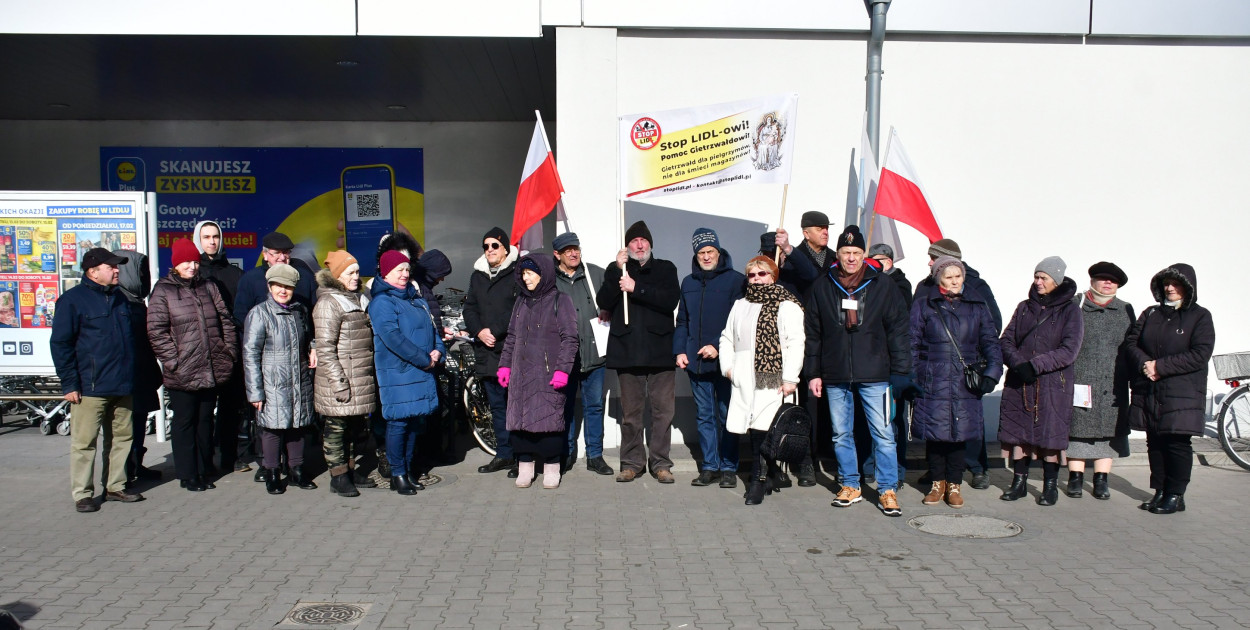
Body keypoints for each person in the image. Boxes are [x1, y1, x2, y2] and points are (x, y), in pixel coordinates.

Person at [805, 225, 914, 517]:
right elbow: (813, 333)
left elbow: (898, 331)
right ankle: (850, 484)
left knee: (883, 434)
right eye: (845, 252)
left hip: (876, 372)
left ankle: (887, 489)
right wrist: (813, 372)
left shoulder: (883, 285)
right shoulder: (823, 285)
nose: (850, 258)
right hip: (835, 372)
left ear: (864, 255)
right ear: (837, 254)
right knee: (841, 434)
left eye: (856, 253)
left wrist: (901, 371)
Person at [51, 247, 145, 512]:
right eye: (111, 267)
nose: (117, 270)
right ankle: (83, 493)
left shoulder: (120, 299)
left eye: (117, 267)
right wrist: (69, 384)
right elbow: (61, 344)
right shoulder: (72, 301)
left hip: (122, 384)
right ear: (93, 271)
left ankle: (115, 487)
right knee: (85, 443)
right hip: (90, 387)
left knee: (121, 439)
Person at [909, 257, 1003, 509]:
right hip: (933, 378)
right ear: (939, 278)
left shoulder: (976, 305)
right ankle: (937, 483)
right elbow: (912, 344)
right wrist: (915, 376)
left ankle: (954, 484)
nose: (954, 282)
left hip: (964, 380)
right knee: (936, 434)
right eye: (948, 277)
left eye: (958, 276)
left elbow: (991, 343)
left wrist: (991, 374)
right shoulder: (923, 305)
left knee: (960, 435)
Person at [147, 238, 239, 492]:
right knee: (185, 422)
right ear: (175, 264)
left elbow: (225, 321)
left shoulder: (208, 287)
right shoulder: (163, 291)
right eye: (186, 262)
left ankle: (204, 468)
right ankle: (188, 474)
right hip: (183, 370)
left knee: (205, 420)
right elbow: (156, 331)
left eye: (194, 261)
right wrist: (173, 360)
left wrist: (227, 350)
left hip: (211, 365)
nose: (192, 266)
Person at [1124, 263, 1214, 514]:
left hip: (1181, 391)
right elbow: (1132, 342)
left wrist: (1161, 367)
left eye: (1176, 284)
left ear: (1188, 288)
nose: (1170, 288)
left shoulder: (1200, 316)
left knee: (1176, 443)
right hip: (1150, 390)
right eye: (1166, 283)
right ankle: (1161, 490)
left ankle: (1176, 493)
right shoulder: (1151, 313)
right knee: (1155, 442)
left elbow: (1200, 353)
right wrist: (1146, 365)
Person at [598, 220, 681, 483]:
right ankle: (631, 463)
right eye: (634, 241)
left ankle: (660, 464)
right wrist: (614, 270)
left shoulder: (666, 268)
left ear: (650, 244)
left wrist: (637, 288)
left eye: (643, 240)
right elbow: (604, 302)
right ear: (628, 246)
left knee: (662, 412)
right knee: (631, 414)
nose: (640, 244)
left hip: (660, 351)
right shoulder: (618, 270)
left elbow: (670, 300)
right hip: (628, 351)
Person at [998, 256, 1083, 506]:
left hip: (1052, 384)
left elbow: (1069, 350)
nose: (1038, 282)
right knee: (1018, 435)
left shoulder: (1071, 311)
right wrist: (1018, 363)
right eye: (1036, 276)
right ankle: (1019, 483)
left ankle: (1050, 486)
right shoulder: (1024, 307)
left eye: (1043, 277)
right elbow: (1006, 340)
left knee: (1050, 437)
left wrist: (1034, 365)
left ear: (1056, 280)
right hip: (1020, 382)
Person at [720, 256, 804, 505]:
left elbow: (796, 342)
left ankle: (757, 478)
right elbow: (727, 338)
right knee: (752, 427)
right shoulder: (740, 304)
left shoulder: (787, 304)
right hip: (744, 374)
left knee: (763, 429)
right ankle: (770, 475)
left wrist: (790, 378)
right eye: (752, 275)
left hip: (774, 377)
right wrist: (728, 368)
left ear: (773, 276)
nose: (756, 279)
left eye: (762, 274)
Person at [497, 254, 579, 489]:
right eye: (523, 273)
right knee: (521, 425)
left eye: (530, 273)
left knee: (549, 422)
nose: (526, 278)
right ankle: (525, 467)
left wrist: (562, 370)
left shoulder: (560, 300)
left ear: (543, 274)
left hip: (547, 375)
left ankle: (552, 468)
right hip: (520, 374)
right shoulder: (521, 302)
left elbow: (570, 339)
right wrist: (504, 365)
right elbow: (512, 336)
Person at [370, 251, 445, 495]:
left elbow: (433, 329)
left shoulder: (417, 299)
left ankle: (408, 470)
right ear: (385, 273)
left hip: (421, 369)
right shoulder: (382, 302)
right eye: (398, 270)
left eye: (406, 269)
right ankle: (397, 473)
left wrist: (438, 351)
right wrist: (424, 359)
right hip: (399, 372)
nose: (404, 274)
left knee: (414, 422)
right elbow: (393, 338)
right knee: (399, 423)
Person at [675, 228, 745, 488]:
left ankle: (728, 467)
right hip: (696, 363)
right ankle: (709, 466)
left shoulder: (736, 281)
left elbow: (739, 323)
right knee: (704, 416)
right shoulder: (688, 282)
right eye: (701, 252)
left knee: (727, 415)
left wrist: (718, 346)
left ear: (719, 252)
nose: (706, 257)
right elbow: (683, 320)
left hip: (725, 362)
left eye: (710, 252)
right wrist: (680, 350)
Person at [243, 263, 318, 495]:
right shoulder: (259, 314)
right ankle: (272, 472)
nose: (283, 290)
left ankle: (296, 470)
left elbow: (308, 338)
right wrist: (255, 391)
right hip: (272, 382)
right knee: (272, 429)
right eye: (278, 285)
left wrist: (313, 347)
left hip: (299, 378)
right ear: (270, 286)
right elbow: (250, 353)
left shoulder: (300, 311)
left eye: (288, 286)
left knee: (297, 426)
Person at [1066, 262, 1135, 500]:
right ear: (1092, 280)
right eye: (1103, 279)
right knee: (1076, 430)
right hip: (1080, 379)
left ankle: (1100, 479)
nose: (1108, 283)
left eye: (1113, 281)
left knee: (1109, 432)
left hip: (1112, 383)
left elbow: (1131, 346)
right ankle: (1075, 478)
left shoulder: (1125, 309)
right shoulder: (1076, 304)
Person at [313, 250, 379, 497]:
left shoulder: (359, 298)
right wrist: (339, 382)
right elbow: (325, 349)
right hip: (340, 378)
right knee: (336, 428)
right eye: (350, 272)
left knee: (355, 426)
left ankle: (351, 471)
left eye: (357, 271)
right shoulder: (328, 303)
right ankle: (338, 477)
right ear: (338, 276)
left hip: (359, 376)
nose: (356, 276)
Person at [551, 232, 614, 476]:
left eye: (575, 248)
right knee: (564, 406)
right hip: (564, 358)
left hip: (594, 354)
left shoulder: (594, 273)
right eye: (567, 250)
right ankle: (566, 453)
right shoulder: (551, 280)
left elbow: (614, 296)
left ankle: (595, 456)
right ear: (557, 255)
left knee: (595, 406)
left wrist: (609, 307)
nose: (573, 253)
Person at [193, 220, 250, 475]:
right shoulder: (194, 274)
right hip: (201, 354)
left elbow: (241, 314)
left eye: (215, 236)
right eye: (206, 237)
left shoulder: (234, 274)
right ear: (198, 240)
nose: (212, 241)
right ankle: (204, 462)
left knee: (230, 410)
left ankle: (229, 458)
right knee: (203, 413)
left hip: (229, 351)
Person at [464, 227, 520, 477]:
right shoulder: (477, 276)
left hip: (509, 350)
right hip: (486, 352)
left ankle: (522, 456)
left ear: (505, 248)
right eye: (485, 246)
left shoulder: (517, 273)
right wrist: (479, 332)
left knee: (515, 406)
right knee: (497, 406)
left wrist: (494, 331)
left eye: (494, 245)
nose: (489, 250)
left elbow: (519, 309)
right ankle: (504, 454)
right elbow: (470, 308)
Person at [112, 248, 163, 485]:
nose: (144, 277)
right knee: (126, 426)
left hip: (141, 375)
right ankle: (124, 471)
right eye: (140, 272)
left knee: (139, 422)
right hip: (127, 378)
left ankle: (136, 464)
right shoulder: (120, 303)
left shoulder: (135, 302)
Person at [234, 231, 318, 321]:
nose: (282, 257)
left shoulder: (305, 276)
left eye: (285, 252)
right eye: (277, 252)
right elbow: (241, 316)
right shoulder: (250, 279)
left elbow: (315, 312)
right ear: (265, 255)